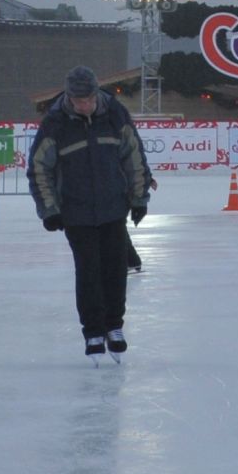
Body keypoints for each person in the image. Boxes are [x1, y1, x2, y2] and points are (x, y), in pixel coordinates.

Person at [29, 66, 150, 361]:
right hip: (75, 211)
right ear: (69, 96)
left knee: (115, 268)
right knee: (88, 272)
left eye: (88, 98)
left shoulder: (114, 115)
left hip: (112, 207)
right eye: (77, 99)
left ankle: (114, 326)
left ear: (96, 93)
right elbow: (39, 168)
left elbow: (134, 157)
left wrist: (138, 198)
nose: (83, 104)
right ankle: (93, 330)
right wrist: (50, 210)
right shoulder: (56, 123)